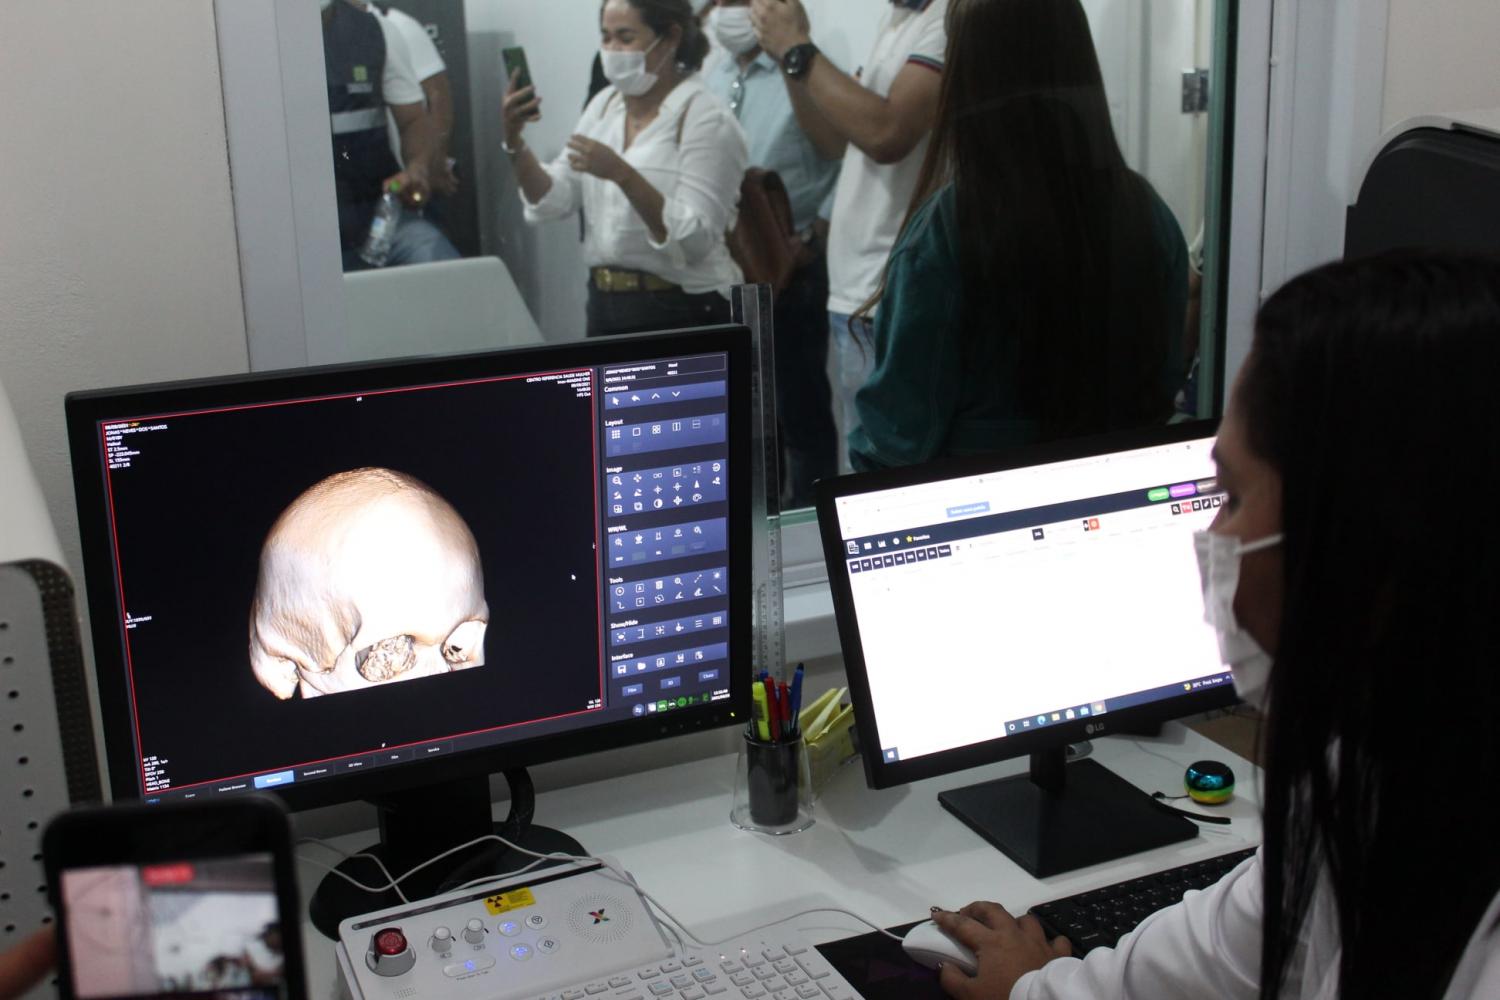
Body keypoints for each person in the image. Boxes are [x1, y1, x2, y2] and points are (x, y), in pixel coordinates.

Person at [929, 250, 1500, 999]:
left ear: (1360, 533)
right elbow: (1226, 954)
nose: (1211, 537)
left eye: (1229, 496)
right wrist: (1034, 991)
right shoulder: (1380, 768)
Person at [847, 0, 1186, 470]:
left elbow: (897, 440)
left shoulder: (945, 233)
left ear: (968, 78)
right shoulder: (1146, 214)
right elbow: (1160, 387)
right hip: (1119, 492)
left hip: (978, 505)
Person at [749, 0, 947, 468]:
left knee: (890, 476)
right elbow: (832, 140)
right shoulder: (899, 20)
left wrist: (797, 47)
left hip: (895, 291)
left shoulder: (949, 18)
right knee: (863, 467)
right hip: (858, 294)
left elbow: (887, 134)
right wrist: (788, 57)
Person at [505, 0, 749, 338]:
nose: (612, 50)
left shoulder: (705, 117)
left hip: (683, 305)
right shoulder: (604, 106)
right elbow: (554, 199)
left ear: (671, 38)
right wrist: (514, 142)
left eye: (626, 37)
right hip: (606, 302)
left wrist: (623, 174)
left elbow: (694, 240)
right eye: (606, 37)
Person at [704, 0, 840, 506]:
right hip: (727, 266)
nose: (729, 11)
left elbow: (843, 160)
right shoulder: (713, 74)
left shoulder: (805, 69)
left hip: (791, 264)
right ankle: (760, 529)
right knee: (744, 418)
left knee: (799, 412)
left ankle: (812, 527)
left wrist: (815, 234)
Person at [321, 0, 459, 270]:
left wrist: (416, 169)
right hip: (296, 230)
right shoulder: (257, 45)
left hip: (379, 217)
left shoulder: (377, 32)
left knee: (440, 265)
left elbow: (413, 120)